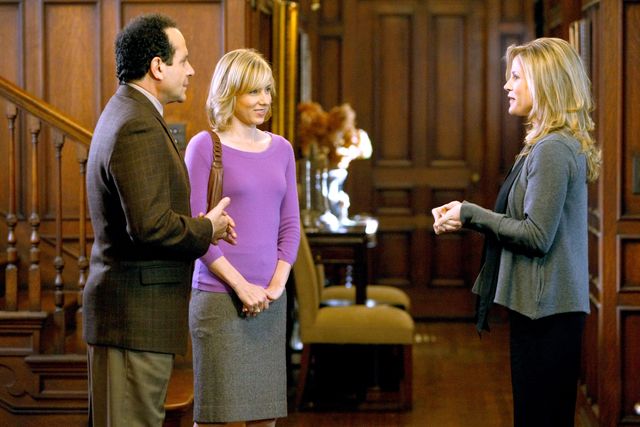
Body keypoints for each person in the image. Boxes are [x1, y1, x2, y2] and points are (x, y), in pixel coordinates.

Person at [431, 37, 601, 427]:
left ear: (544, 83)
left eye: (516, 77)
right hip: (543, 307)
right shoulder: (546, 144)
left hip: (548, 312)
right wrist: (465, 216)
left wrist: (470, 213)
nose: (507, 85)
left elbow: (536, 235)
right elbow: (523, 223)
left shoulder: (552, 148)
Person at [84, 14, 237, 427]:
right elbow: (149, 226)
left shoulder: (131, 112)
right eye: (183, 60)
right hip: (133, 320)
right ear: (157, 66)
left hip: (133, 319)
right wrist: (208, 229)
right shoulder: (136, 124)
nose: (191, 70)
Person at [184, 48, 300, 427]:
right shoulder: (204, 146)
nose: (264, 100)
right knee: (214, 419)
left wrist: (275, 286)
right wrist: (241, 286)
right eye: (253, 91)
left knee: (264, 419)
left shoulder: (282, 149)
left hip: (269, 301)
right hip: (219, 300)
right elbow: (197, 230)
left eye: (267, 90)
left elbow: (290, 225)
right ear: (229, 93)